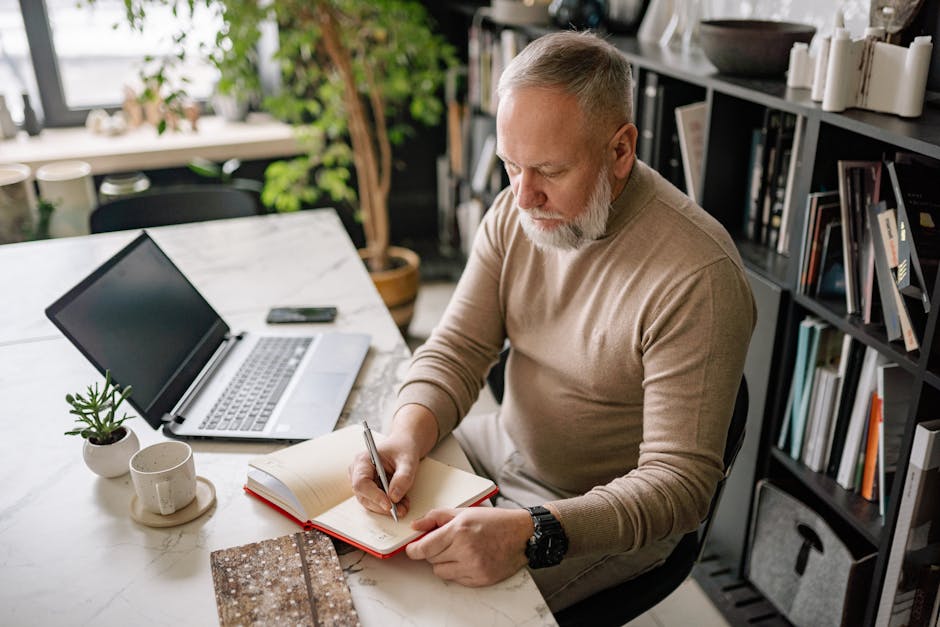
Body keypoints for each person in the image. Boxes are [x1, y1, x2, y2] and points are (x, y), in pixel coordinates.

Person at [349, 30, 756, 612]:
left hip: (597, 514)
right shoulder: (515, 212)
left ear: (620, 151)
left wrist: (532, 531)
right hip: (503, 446)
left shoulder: (698, 276)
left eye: (548, 170)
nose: (522, 197)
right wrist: (404, 438)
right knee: (361, 571)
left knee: (432, 612)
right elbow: (458, 347)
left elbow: (679, 488)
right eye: (510, 165)